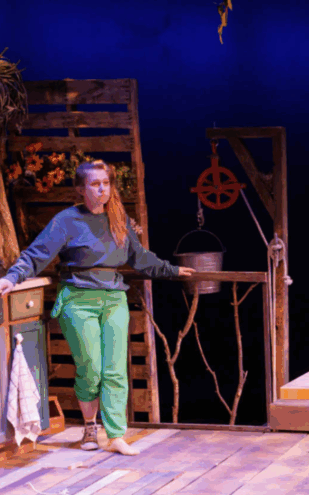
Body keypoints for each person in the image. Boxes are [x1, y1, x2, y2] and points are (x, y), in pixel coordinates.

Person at [0, 160, 195, 455]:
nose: (102, 189)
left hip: (114, 299)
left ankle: (116, 435)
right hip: (79, 300)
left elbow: (140, 257)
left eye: (106, 183)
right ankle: (90, 426)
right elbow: (36, 255)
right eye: (95, 184)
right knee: (90, 368)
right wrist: (12, 277)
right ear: (81, 189)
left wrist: (172, 270)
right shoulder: (66, 221)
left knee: (115, 370)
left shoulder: (118, 219)